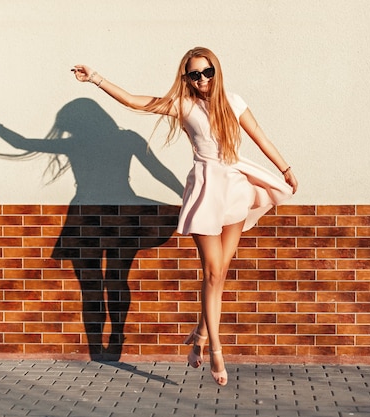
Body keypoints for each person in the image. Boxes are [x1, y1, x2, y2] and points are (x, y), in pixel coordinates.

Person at [72, 47, 298, 386]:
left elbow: (260, 136)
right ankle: (215, 351)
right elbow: (136, 101)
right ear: (186, 78)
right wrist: (97, 79)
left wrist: (285, 168)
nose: (203, 79)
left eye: (208, 72)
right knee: (210, 272)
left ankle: (201, 333)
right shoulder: (183, 105)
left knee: (220, 273)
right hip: (206, 189)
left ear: (216, 71)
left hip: (234, 185)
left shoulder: (233, 102)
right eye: (195, 74)